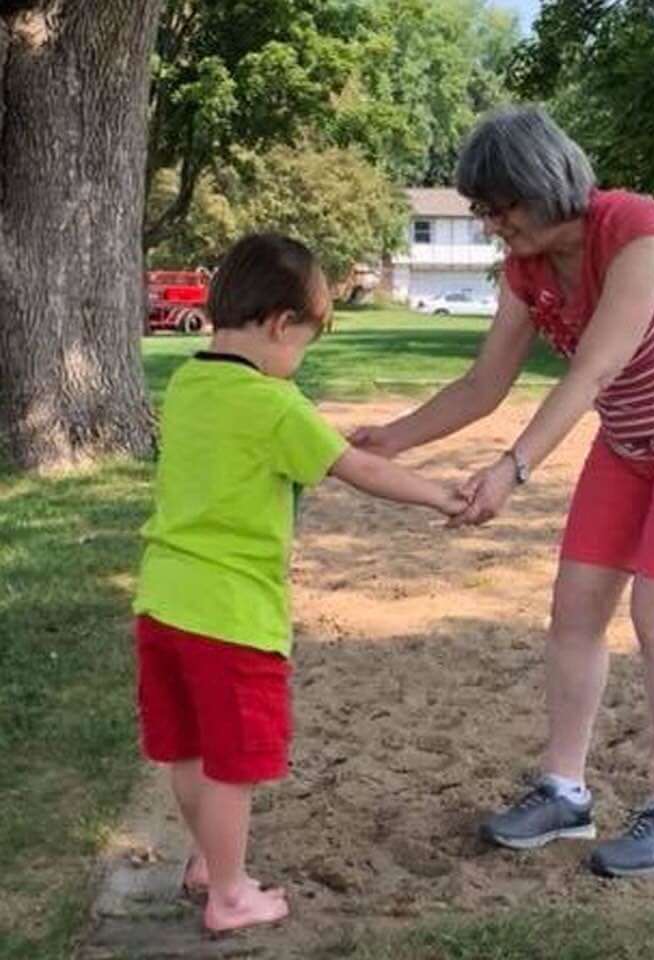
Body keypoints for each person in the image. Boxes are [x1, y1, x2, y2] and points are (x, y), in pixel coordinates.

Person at [351, 106, 654, 878]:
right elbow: (484, 384)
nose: (491, 224)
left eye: (500, 206)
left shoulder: (638, 235)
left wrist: (513, 471)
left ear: (544, 186)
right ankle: (563, 790)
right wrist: (392, 439)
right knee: (575, 604)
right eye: (483, 210)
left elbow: (595, 370)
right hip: (631, 441)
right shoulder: (525, 269)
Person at [133, 233, 467, 934]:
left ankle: (205, 862)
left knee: (188, 750)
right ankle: (230, 895)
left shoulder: (188, 383)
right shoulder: (276, 405)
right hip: (232, 617)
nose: (298, 363)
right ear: (281, 324)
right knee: (234, 765)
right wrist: (440, 495)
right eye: (303, 346)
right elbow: (361, 470)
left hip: (162, 604)